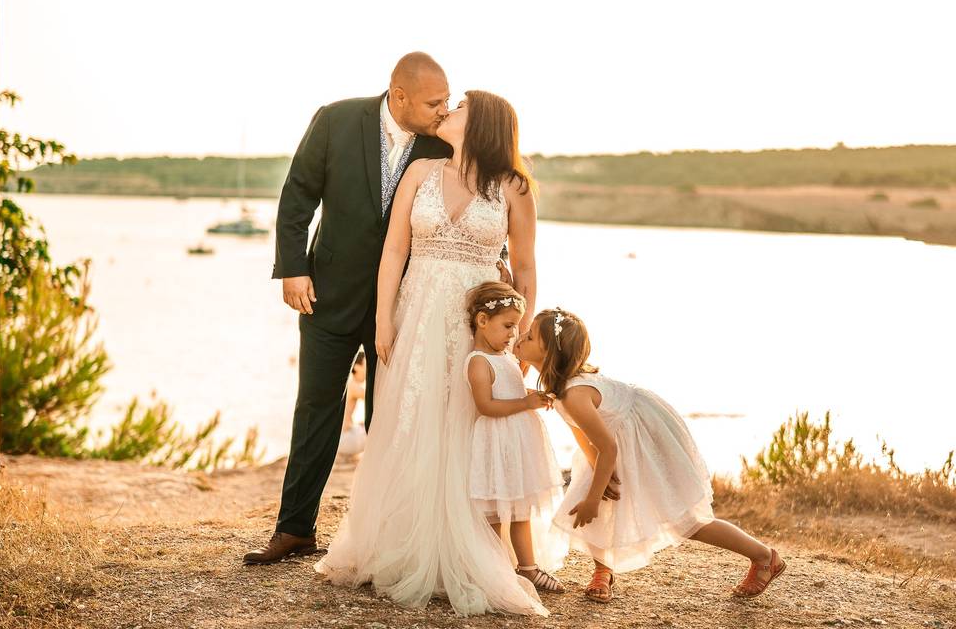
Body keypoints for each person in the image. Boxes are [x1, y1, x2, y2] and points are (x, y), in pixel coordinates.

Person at [315, 91, 546, 617]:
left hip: (477, 321)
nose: (446, 111)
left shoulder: (513, 186)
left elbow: (527, 267)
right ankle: (408, 542)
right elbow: (394, 249)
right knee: (412, 421)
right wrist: (381, 319)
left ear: (482, 120)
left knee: (468, 424)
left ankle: (473, 551)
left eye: (458, 104)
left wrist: (518, 334)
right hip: (416, 313)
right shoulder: (420, 171)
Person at [244, 52, 453, 565]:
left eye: (446, 100)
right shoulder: (336, 119)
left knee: (393, 417)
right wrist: (293, 268)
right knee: (316, 406)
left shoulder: (444, 138)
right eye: (433, 101)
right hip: (327, 295)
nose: (443, 109)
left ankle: (387, 539)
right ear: (398, 95)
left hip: (404, 305)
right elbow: (297, 197)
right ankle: (295, 529)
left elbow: (471, 195)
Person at [513, 308, 787, 603]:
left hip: (643, 441)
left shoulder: (575, 394)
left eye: (529, 337)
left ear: (550, 353)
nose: (520, 337)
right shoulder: (561, 390)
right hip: (618, 440)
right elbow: (583, 435)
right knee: (596, 492)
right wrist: (598, 477)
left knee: (684, 519)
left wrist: (592, 498)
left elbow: (609, 447)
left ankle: (763, 557)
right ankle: (602, 570)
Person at [462, 281, 567, 593]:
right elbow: (485, 406)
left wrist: (532, 395)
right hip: (495, 443)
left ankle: (529, 567)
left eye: (517, 327)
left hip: (516, 444)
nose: (513, 334)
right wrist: (525, 403)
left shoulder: (505, 356)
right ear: (482, 321)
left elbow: (512, 390)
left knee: (521, 509)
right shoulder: (478, 361)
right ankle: (499, 568)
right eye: (508, 326)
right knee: (495, 512)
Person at [336, 351, 368, 466]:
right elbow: (373, 400)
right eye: (366, 365)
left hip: (341, 437)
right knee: (378, 432)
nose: (368, 370)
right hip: (343, 440)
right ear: (356, 367)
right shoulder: (353, 385)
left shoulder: (348, 382)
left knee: (363, 426)